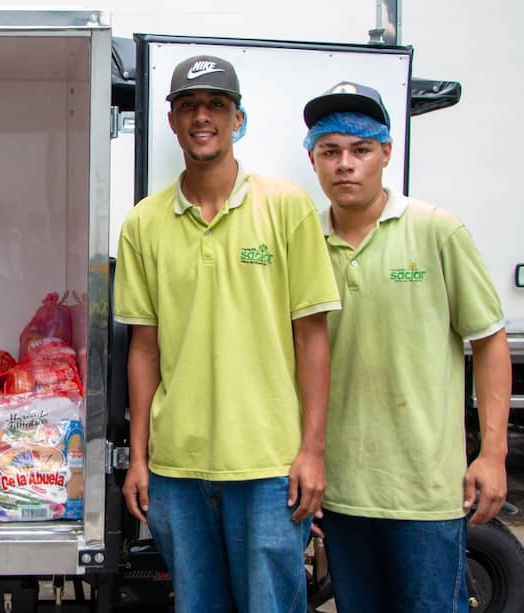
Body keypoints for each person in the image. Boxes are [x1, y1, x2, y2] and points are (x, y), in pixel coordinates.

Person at [114, 54, 342, 613]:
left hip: (268, 466)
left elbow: (312, 338)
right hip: (177, 469)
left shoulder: (286, 207)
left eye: (216, 105)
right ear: (171, 121)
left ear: (238, 118)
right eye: (188, 106)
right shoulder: (143, 222)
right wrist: (139, 459)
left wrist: (313, 450)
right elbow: (144, 350)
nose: (202, 117)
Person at [302, 81, 512, 612]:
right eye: (330, 151)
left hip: (424, 492)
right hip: (341, 491)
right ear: (313, 160)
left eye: (361, 150)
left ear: (386, 154)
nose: (345, 164)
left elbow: (489, 341)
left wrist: (492, 453)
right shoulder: (303, 242)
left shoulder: (435, 230)